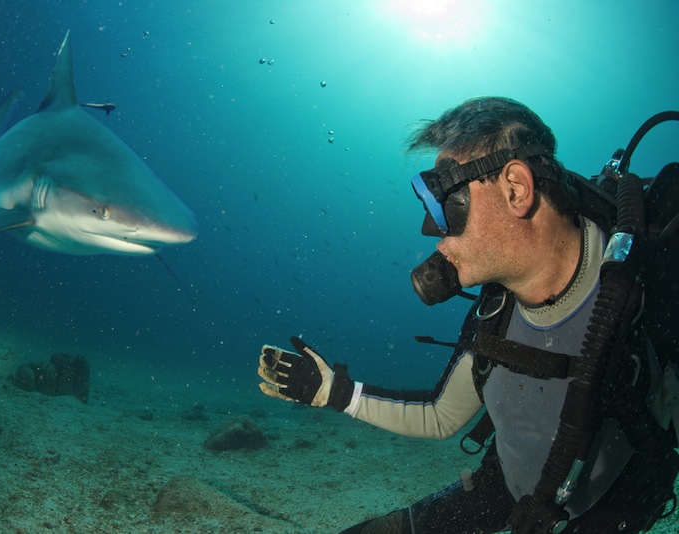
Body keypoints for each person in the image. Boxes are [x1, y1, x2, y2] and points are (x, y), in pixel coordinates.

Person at [257, 97, 679, 533]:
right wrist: (333, 391)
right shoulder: (493, 311)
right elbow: (442, 415)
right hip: (510, 491)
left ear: (516, 188)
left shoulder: (649, 289)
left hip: (609, 513)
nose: (431, 231)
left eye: (443, 198)